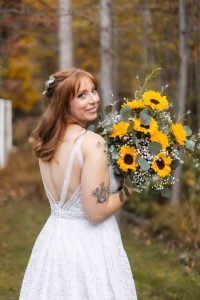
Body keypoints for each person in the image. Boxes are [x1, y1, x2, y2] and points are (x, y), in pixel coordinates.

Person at [19, 67, 138, 299]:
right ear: (63, 103)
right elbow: (96, 211)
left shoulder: (46, 140)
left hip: (54, 240)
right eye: (82, 95)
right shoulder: (91, 143)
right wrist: (129, 188)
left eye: (93, 91)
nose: (93, 99)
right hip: (90, 245)